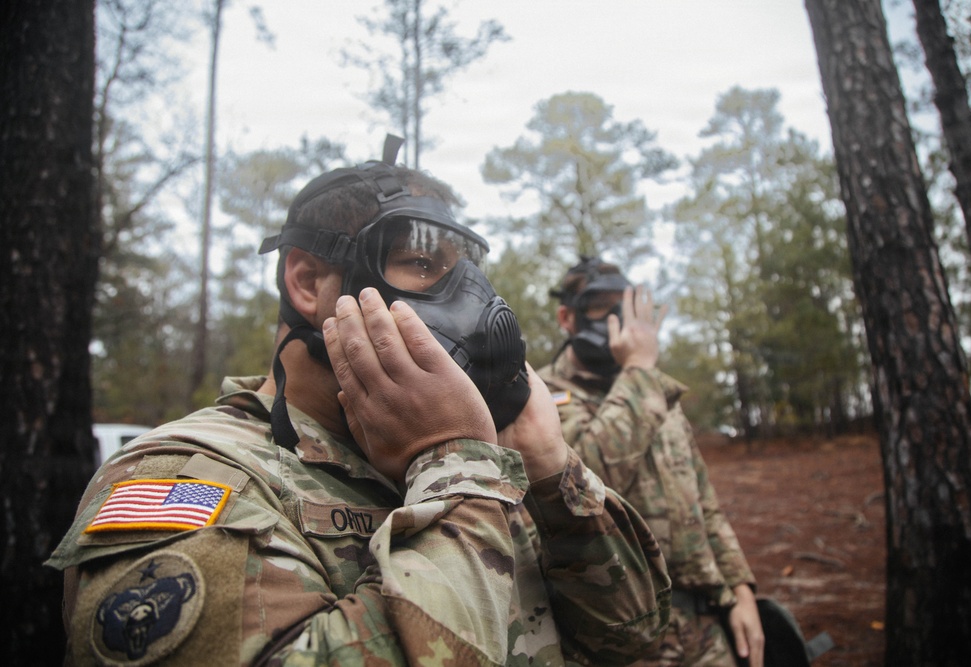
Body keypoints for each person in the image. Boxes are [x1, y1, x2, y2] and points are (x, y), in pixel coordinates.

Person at [46, 144, 672, 666]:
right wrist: (454, 464)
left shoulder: (485, 461)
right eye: (422, 263)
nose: (473, 303)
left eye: (467, 272)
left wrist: (549, 473)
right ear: (309, 282)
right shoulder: (187, 478)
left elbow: (633, 637)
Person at [537, 256, 764, 667]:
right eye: (599, 306)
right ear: (566, 317)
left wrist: (741, 590)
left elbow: (704, 506)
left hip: (704, 628)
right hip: (619, 638)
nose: (616, 319)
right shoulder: (541, 396)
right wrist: (640, 368)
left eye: (622, 306)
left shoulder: (659, 397)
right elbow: (580, 489)